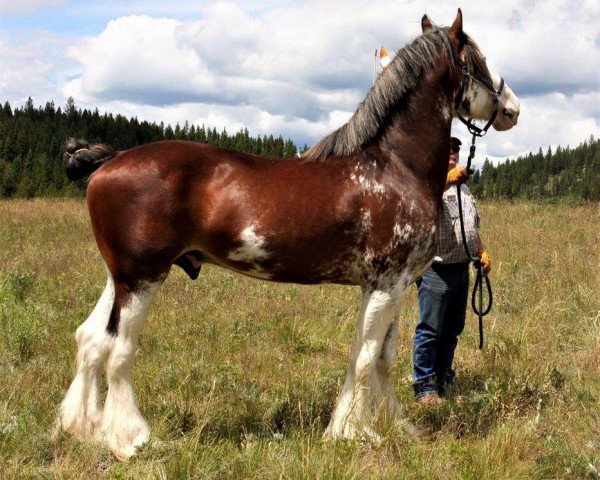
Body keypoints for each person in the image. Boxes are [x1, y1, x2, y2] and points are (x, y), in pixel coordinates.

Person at [412, 136, 491, 405]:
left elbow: (473, 226)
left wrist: (481, 252)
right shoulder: (428, 186)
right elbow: (425, 202)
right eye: (447, 149)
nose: (453, 153)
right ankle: (424, 385)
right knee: (430, 330)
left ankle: (443, 374)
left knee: (452, 329)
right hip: (435, 270)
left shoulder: (465, 190)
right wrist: (448, 179)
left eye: (456, 149)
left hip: (461, 270)